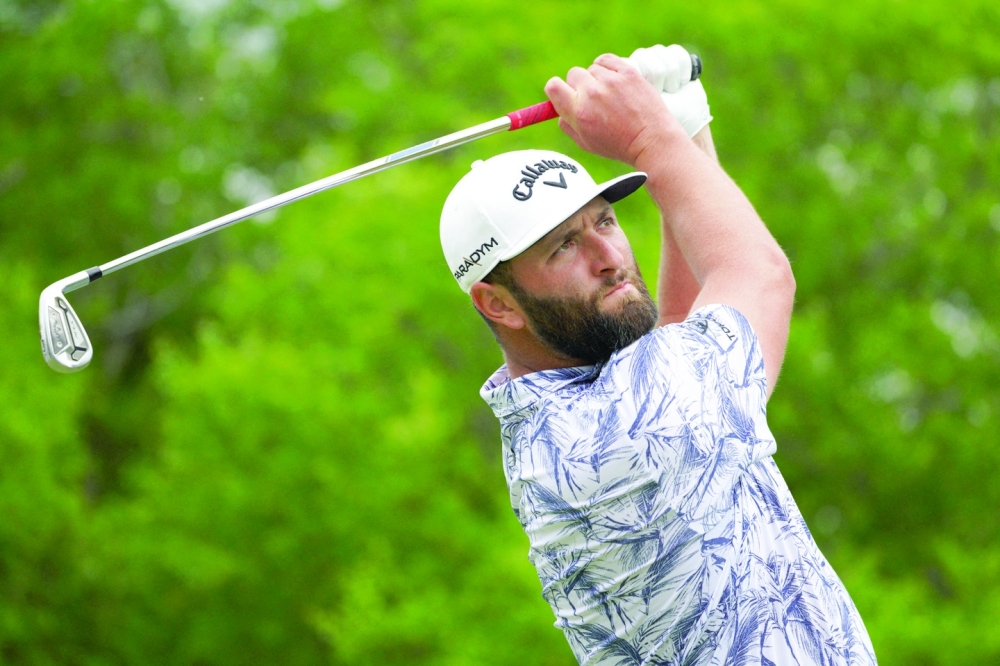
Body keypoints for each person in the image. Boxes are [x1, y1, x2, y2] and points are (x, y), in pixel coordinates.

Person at [439, 46, 877, 665]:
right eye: (564, 246)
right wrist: (649, 135)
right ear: (498, 303)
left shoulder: (566, 416)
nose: (608, 256)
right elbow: (758, 274)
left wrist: (683, 123)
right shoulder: (611, 439)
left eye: (605, 221)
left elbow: (678, 331)